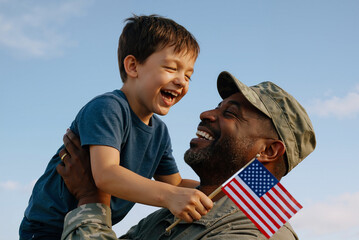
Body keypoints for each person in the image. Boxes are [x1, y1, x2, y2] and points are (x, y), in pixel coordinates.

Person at [57, 71, 316, 239]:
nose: (206, 114)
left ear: (268, 151)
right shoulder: (181, 211)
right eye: (217, 106)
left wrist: (92, 198)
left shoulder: (251, 232)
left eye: (231, 114)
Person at [19, 14, 213, 240]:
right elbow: (106, 174)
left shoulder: (159, 132)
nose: (182, 81)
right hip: (48, 228)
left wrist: (225, 189)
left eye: (189, 75)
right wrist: (169, 196)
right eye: (171, 68)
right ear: (133, 66)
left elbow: (176, 183)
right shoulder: (108, 108)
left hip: (89, 224)